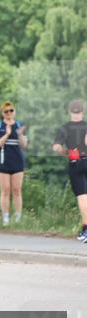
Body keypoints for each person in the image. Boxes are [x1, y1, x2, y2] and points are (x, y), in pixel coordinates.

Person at [52, 99, 87, 243]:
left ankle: (86, 230)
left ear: (70, 112)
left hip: (76, 163)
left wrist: (66, 152)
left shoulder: (64, 128)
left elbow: (56, 147)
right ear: (83, 113)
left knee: (83, 198)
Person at [0, 101, 28, 225]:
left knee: (17, 190)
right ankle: (5, 218)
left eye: (11, 110)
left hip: (17, 161)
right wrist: (6, 134)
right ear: (2, 113)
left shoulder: (19, 125)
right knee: (5, 190)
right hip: (3, 162)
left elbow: (24, 145)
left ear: (14, 111)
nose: (9, 113)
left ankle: (18, 218)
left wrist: (20, 135)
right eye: (6, 111)